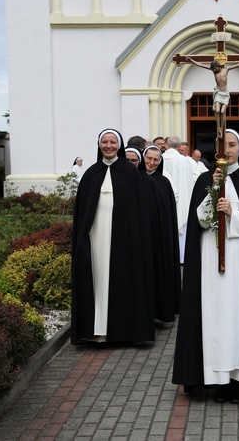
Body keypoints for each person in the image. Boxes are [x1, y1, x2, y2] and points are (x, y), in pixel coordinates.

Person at [173, 129, 239, 404]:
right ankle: (217, 381)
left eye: (233, 145)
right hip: (210, 259)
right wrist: (212, 195)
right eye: (224, 144)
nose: (228, 149)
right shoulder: (204, 180)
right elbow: (199, 220)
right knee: (214, 316)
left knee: (238, 317)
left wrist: (234, 213)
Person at [71, 129, 154, 345]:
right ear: (99, 145)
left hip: (124, 239)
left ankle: (123, 331)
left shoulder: (130, 172)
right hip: (96, 236)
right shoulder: (91, 174)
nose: (108, 146)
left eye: (113, 142)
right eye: (105, 142)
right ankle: (97, 330)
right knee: (97, 279)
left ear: (119, 145)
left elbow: (139, 210)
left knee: (122, 280)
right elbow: (82, 213)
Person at [141, 145, 181, 321]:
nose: (151, 163)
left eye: (155, 160)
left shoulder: (164, 183)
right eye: (149, 158)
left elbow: (167, 215)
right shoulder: (136, 179)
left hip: (157, 237)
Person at [186, 56, 239, 137]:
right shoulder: (214, 72)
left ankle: (222, 127)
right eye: (213, 69)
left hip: (225, 93)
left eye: (215, 68)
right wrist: (191, 61)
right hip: (218, 93)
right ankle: (219, 128)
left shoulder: (226, 70)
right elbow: (201, 65)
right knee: (217, 110)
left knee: (222, 112)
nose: (214, 70)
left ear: (218, 66)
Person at [162, 136, 194, 263]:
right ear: (179, 145)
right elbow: (189, 181)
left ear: (167, 144)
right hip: (184, 198)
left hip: (167, 198)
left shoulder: (162, 158)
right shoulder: (185, 160)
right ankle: (182, 257)